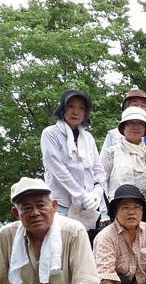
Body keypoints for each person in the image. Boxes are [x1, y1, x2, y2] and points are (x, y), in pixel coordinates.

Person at [40, 88, 105, 229]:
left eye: (81, 108)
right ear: (62, 108)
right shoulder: (50, 134)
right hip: (61, 204)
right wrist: (82, 195)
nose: (76, 112)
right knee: (60, 247)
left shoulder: (88, 138)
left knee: (84, 247)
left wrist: (97, 192)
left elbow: (98, 170)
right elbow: (59, 171)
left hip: (88, 207)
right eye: (71, 106)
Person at [100, 107, 146, 210]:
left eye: (140, 123)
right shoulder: (112, 153)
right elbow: (101, 183)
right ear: (123, 127)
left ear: (145, 128)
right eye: (131, 123)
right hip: (119, 211)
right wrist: (105, 212)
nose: (136, 127)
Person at [101, 87, 146, 178]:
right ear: (126, 108)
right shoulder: (113, 135)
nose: (139, 108)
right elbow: (102, 167)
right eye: (135, 104)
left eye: (143, 105)